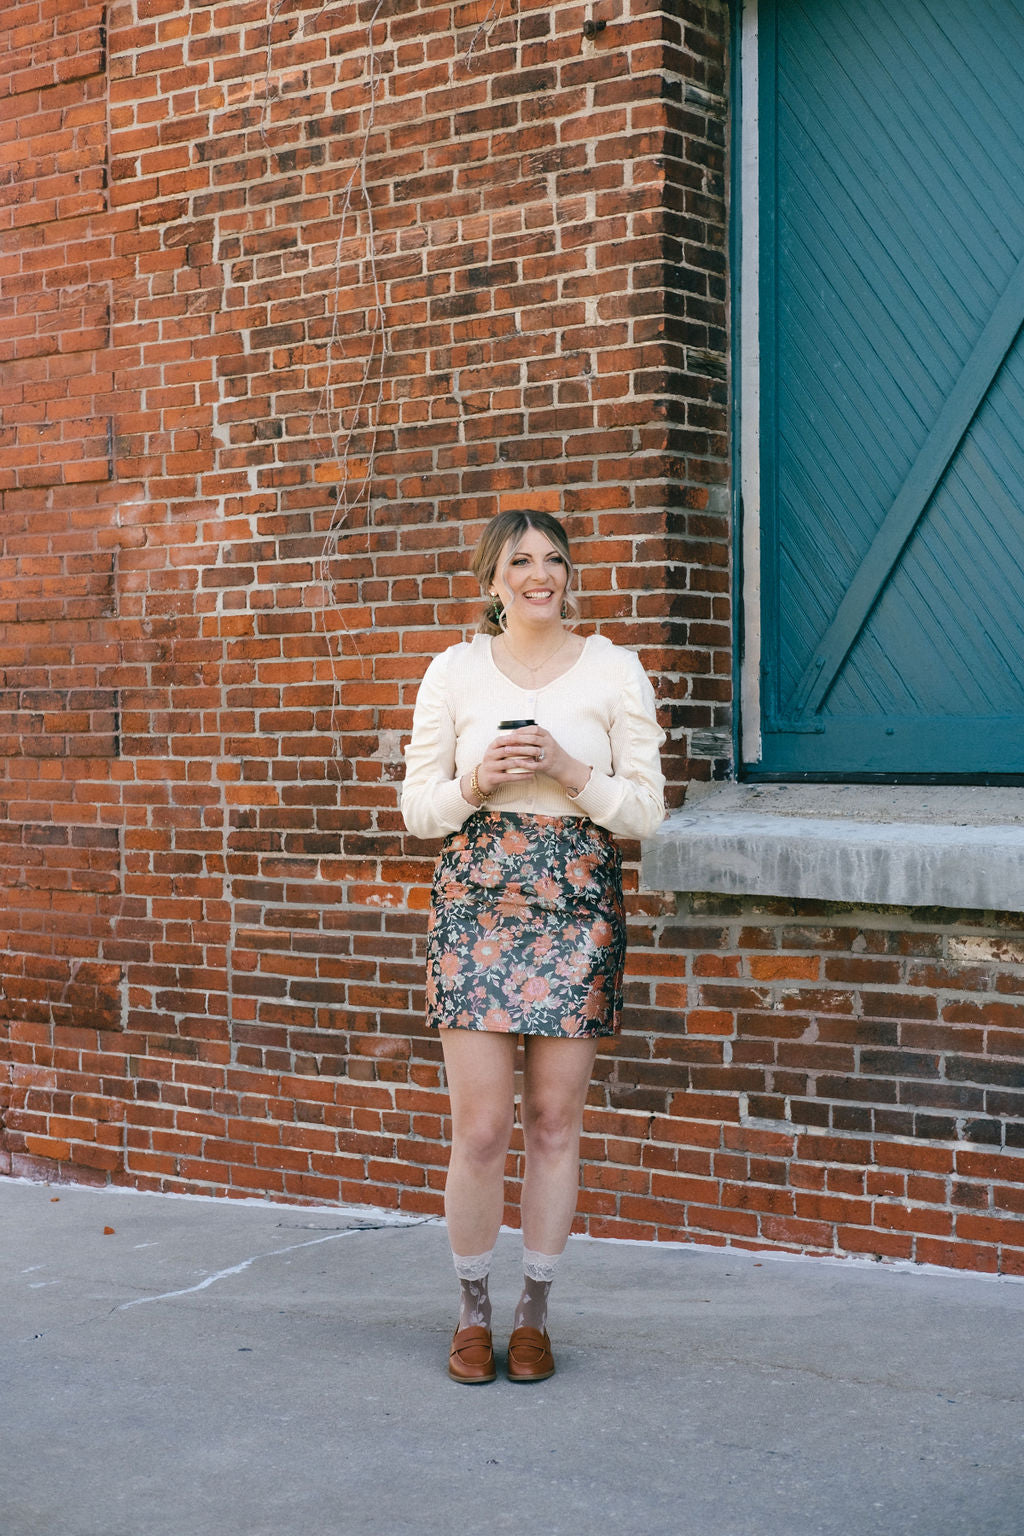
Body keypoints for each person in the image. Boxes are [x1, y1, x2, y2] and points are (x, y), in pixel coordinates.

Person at [400, 509, 665, 1384]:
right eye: (520, 561)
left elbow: (647, 811)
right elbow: (419, 810)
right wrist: (478, 779)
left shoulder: (615, 669)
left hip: (578, 904)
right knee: (480, 1129)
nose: (539, 574)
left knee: (553, 1122)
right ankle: (473, 1308)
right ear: (493, 579)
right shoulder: (454, 671)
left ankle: (535, 1312)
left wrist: (570, 769)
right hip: (476, 902)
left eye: (553, 559)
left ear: (568, 575)